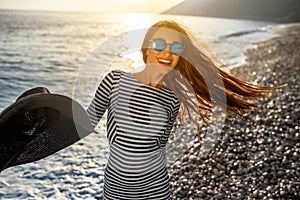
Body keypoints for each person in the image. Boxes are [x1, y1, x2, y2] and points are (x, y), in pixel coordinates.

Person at [87, 20, 281, 199]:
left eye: (176, 48)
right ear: (145, 48)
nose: (167, 53)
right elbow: (84, 123)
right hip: (116, 189)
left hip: (155, 189)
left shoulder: (172, 98)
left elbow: (157, 146)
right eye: (159, 44)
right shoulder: (116, 81)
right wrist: (56, 113)